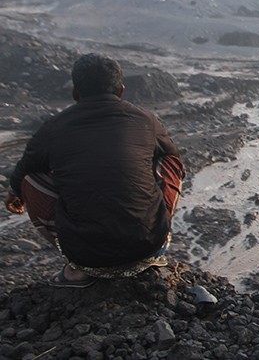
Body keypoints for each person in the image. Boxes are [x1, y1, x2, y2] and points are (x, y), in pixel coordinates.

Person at [4, 53, 185, 288]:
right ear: (121, 90)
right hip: (149, 245)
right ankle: (152, 244)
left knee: (30, 178)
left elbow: (24, 170)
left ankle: (76, 269)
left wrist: (14, 193)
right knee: (170, 161)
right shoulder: (146, 120)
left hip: (84, 255)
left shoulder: (54, 127)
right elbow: (173, 157)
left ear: (75, 92)